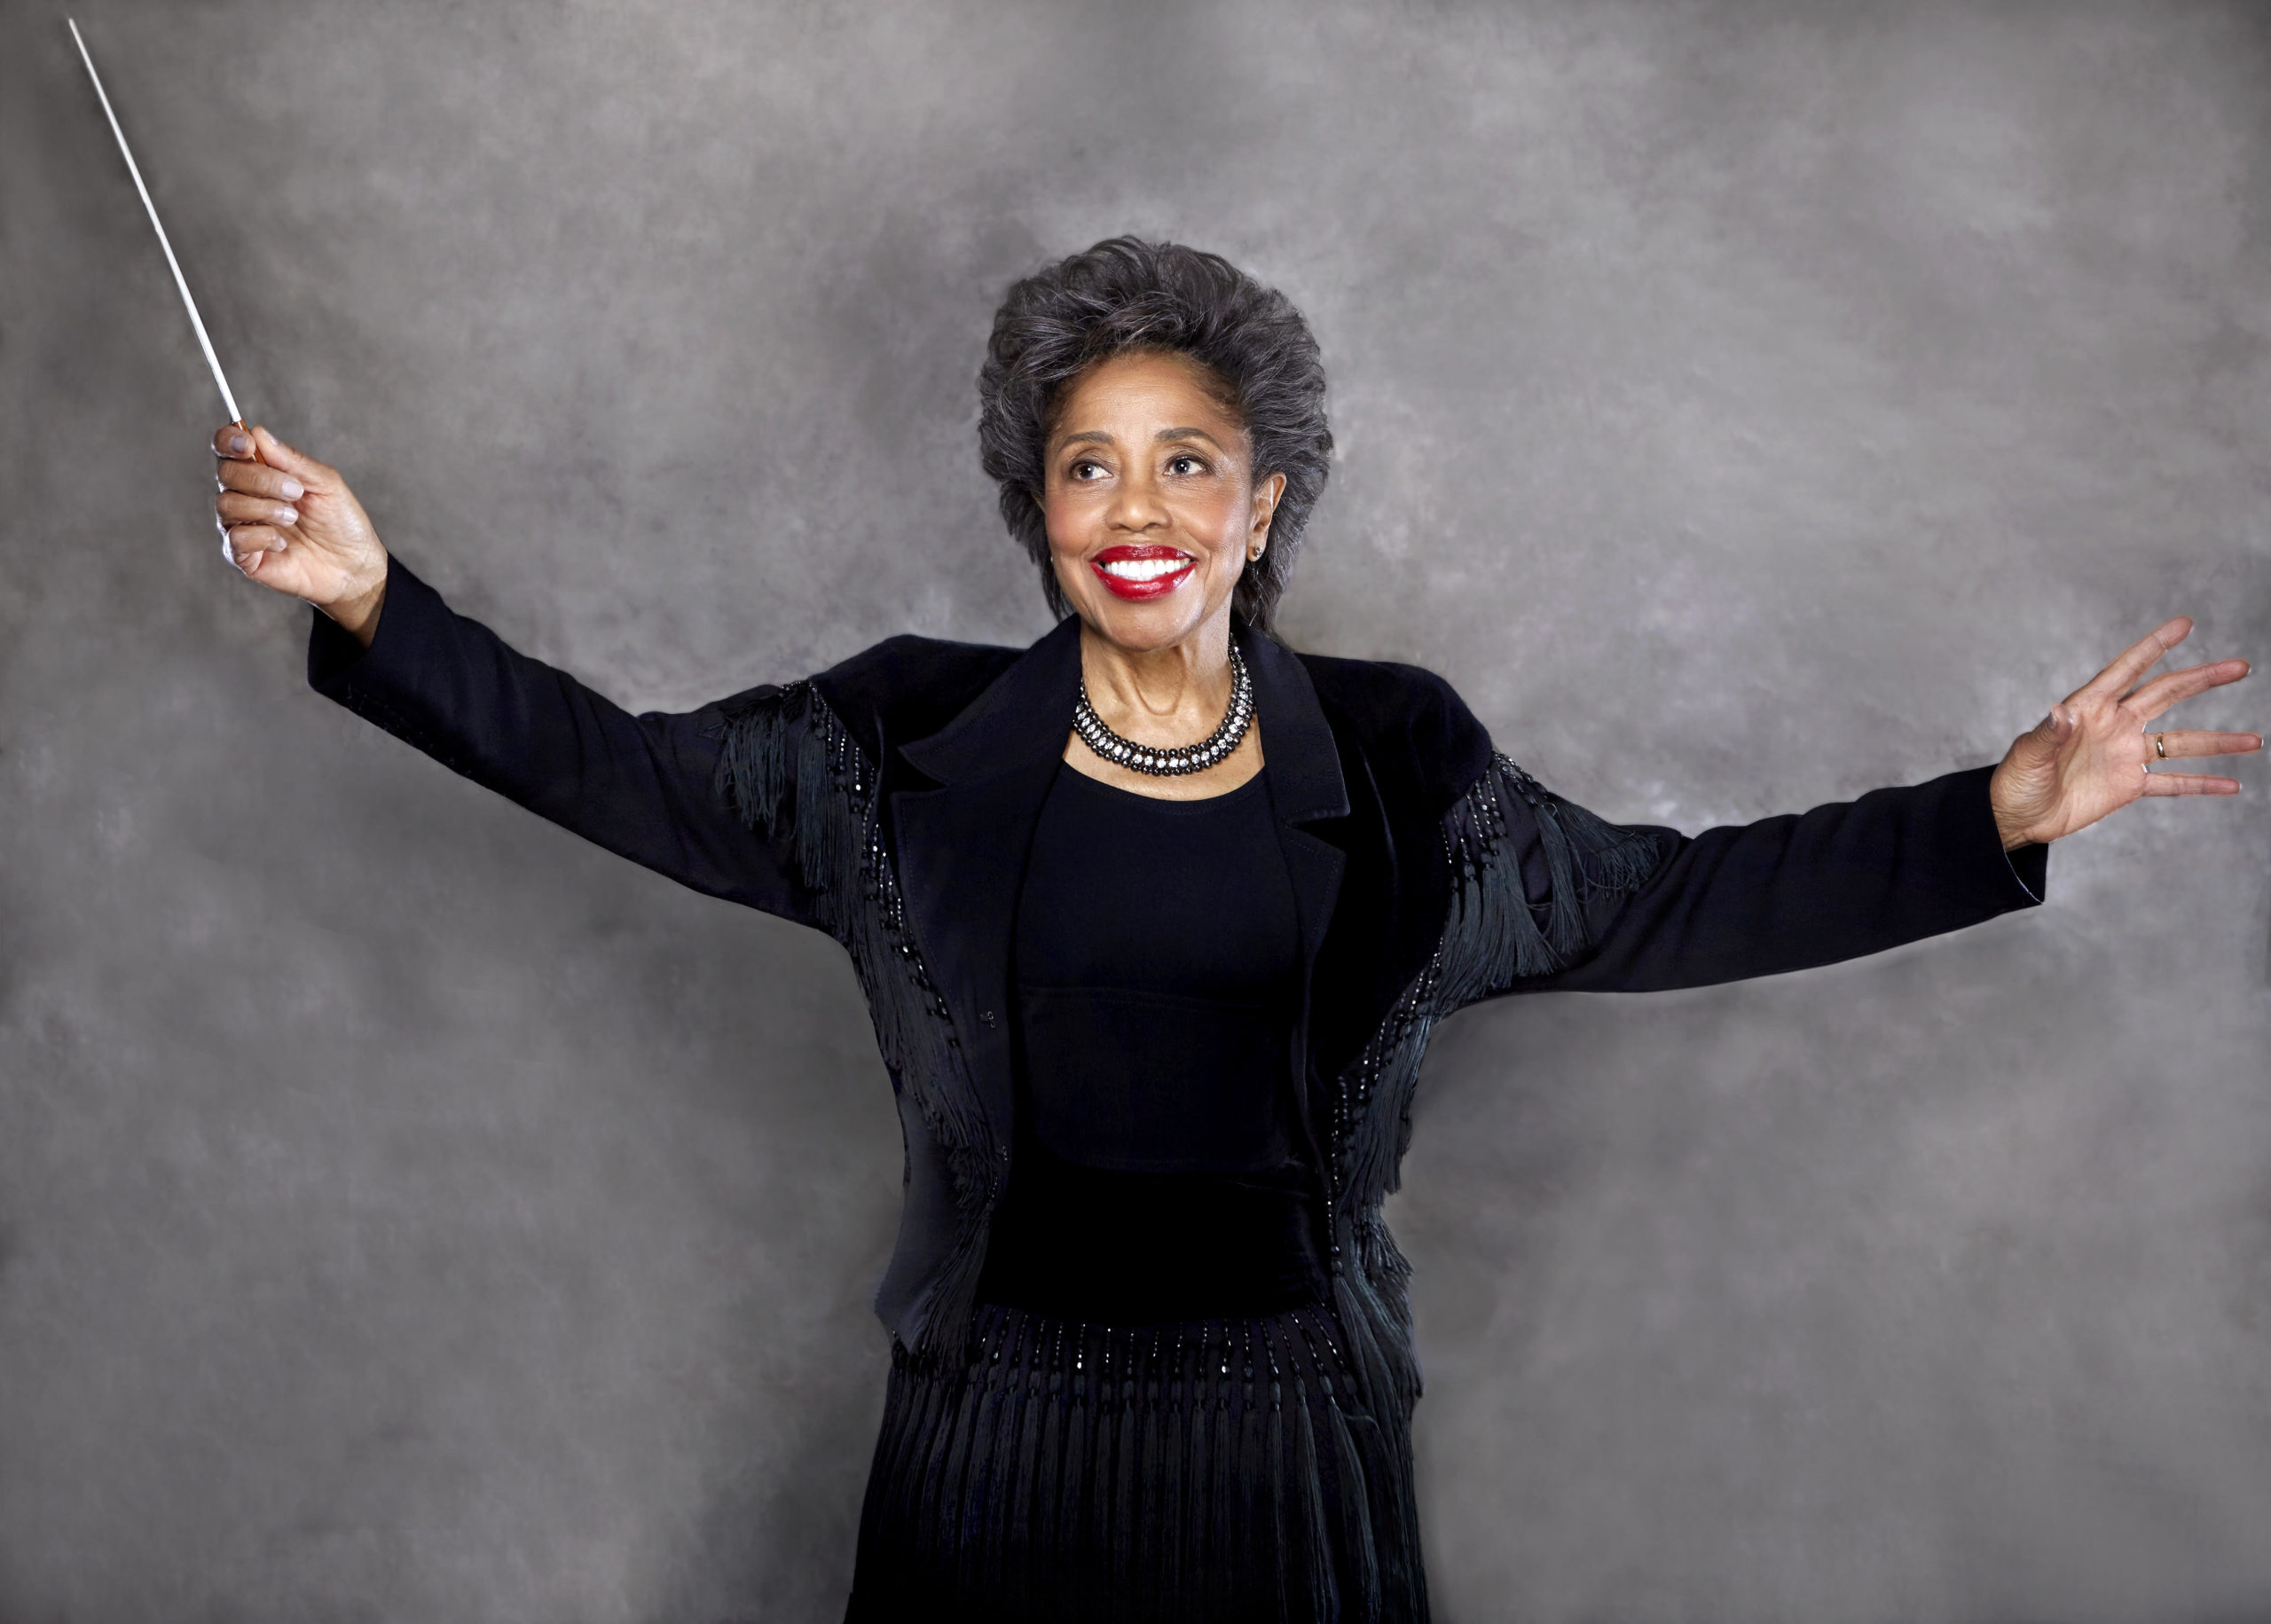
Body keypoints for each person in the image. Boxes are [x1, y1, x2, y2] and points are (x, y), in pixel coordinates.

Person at [209, 238, 2257, 1623]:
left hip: (1289, 1443)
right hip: (986, 1438)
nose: (1137, 502)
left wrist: (1994, 811)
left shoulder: (1398, 766)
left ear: (1263, 501)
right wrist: (382, 600)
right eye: (1087, 462)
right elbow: (612, 766)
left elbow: (1669, 894)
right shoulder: (894, 739)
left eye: (1187, 459)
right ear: (1039, 506)